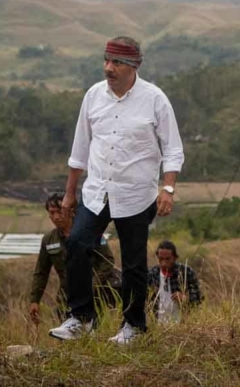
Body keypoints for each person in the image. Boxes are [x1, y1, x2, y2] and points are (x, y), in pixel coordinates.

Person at [48, 36, 184, 343]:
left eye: (117, 62)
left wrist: (169, 188)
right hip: (96, 191)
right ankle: (82, 319)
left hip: (136, 195)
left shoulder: (155, 99)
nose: (109, 68)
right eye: (106, 60)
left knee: (134, 262)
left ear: (134, 66)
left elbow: (173, 150)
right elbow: (79, 149)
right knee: (79, 244)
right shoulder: (94, 96)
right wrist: (70, 193)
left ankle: (133, 327)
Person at [28, 193, 120, 325]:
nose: (55, 217)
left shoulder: (89, 233)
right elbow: (41, 272)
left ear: (70, 211)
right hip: (66, 298)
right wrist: (35, 300)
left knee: (95, 331)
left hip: (96, 296)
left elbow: (107, 261)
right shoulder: (49, 240)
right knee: (67, 334)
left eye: (59, 212)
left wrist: (92, 284)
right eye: (51, 213)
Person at [148, 240, 201, 323]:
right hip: (157, 325)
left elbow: (198, 299)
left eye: (167, 259)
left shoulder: (186, 272)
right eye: (160, 259)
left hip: (181, 324)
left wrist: (185, 298)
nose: (164, 263)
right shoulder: (151, 274)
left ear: (175, 258)